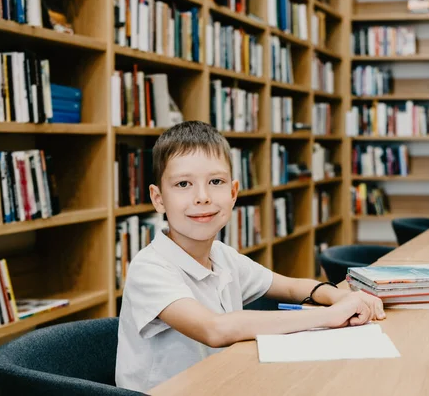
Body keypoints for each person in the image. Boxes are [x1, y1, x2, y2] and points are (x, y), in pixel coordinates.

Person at [115, 121, 385, 392]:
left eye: (215, 182)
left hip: (222, 384)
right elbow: (215, 330)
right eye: (183, 184)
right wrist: (330, 316)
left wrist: (341, 297)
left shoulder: (222, 256)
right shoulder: (149, 268)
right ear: (158, 198)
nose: (202, 197)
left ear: (233, 193)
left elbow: (291, 287)